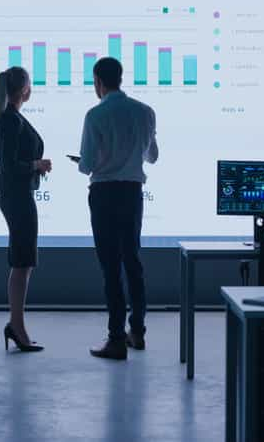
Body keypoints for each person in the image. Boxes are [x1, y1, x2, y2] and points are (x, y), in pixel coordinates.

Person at [77, 57, 158, 360]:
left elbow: (86, 165)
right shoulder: (145, 112)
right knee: (133, 262)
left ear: (98, 81)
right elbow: (152, 156)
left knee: (111, 268)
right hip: (132, 193)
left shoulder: (95, 115)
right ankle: (137, 331)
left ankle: (115, 338)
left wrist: (97, 160)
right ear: (121, 78)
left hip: (104, 193)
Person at [0, 67, 52, 352]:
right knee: (22, 260)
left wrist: (34, 166)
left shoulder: (11, 117)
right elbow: (7, 165)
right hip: (16, 195)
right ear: (25, 89)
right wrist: (36, 165)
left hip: (18, 193)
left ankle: (16, 324)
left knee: (23, 259)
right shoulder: (9, 120)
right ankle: (17, 326)